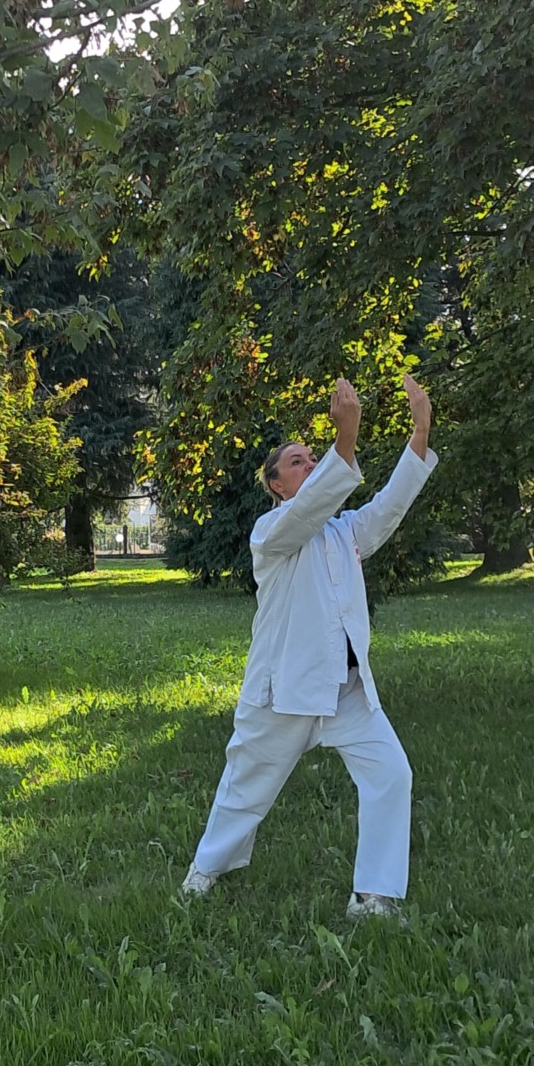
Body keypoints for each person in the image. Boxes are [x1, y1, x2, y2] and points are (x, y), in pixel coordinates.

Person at [182, 374, 437, 919]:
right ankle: (205, 870)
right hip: (283, 693)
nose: (309, 464)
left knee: (391, 772)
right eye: (297, 462)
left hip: (345, 690)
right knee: (246, 787)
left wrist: (419, 434)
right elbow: (308, 511)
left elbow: (389, 506)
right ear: (277, 485)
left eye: (311, 457)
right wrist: (344, 441)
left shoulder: (345, 533)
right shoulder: (269, 532)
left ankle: (373, 896)